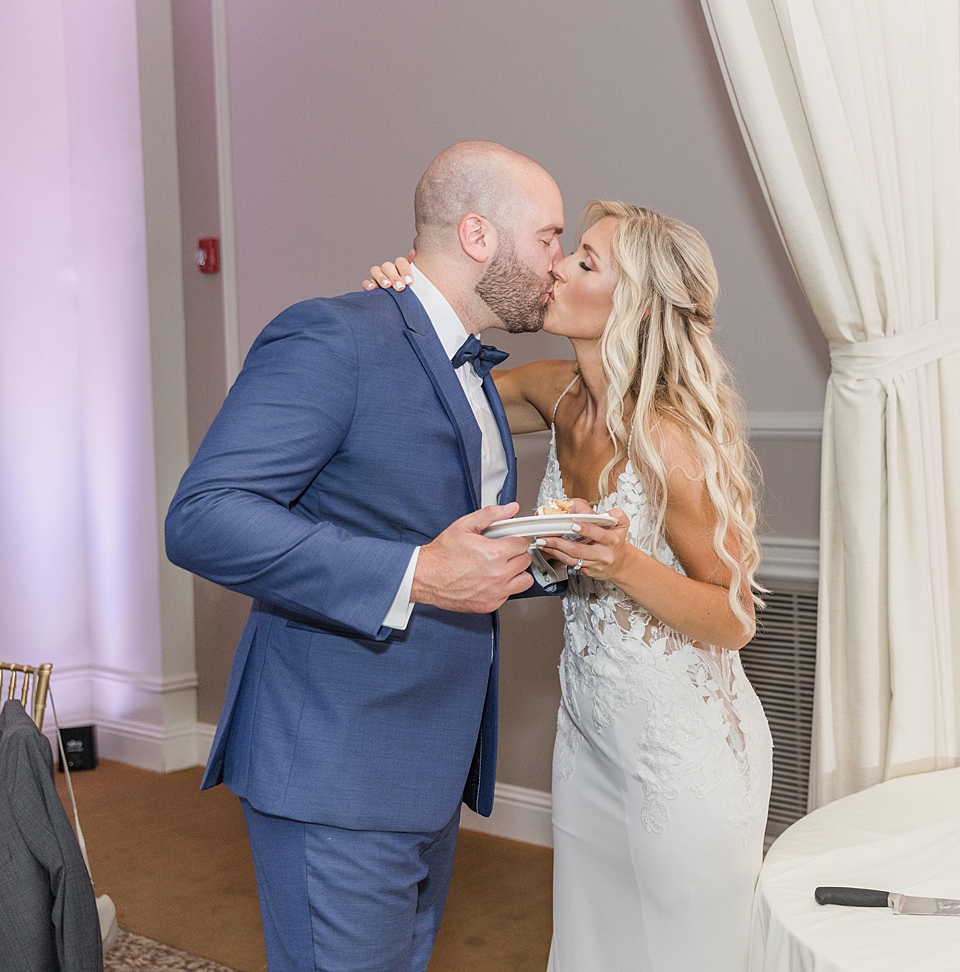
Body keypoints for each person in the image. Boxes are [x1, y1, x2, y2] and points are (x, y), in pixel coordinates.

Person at [165, 140, 568, 972]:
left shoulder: (471, 364)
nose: (557, 264)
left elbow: (450, 542)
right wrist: (413, 572)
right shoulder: (335, 336)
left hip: (421, 767)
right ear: (478, 235)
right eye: (549, 237)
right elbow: (203, 516)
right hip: (335, 770)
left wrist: (550, 559)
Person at [364, 201, 773, 971]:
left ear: (634, 305)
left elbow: (736, 615)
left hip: (682, 756)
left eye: (584, 261)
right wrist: (404, 302)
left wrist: (623, 563)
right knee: (595, 948)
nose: (555, 266)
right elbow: (441, 382)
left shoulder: (670, 440)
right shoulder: (557, 395)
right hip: (587, 739)